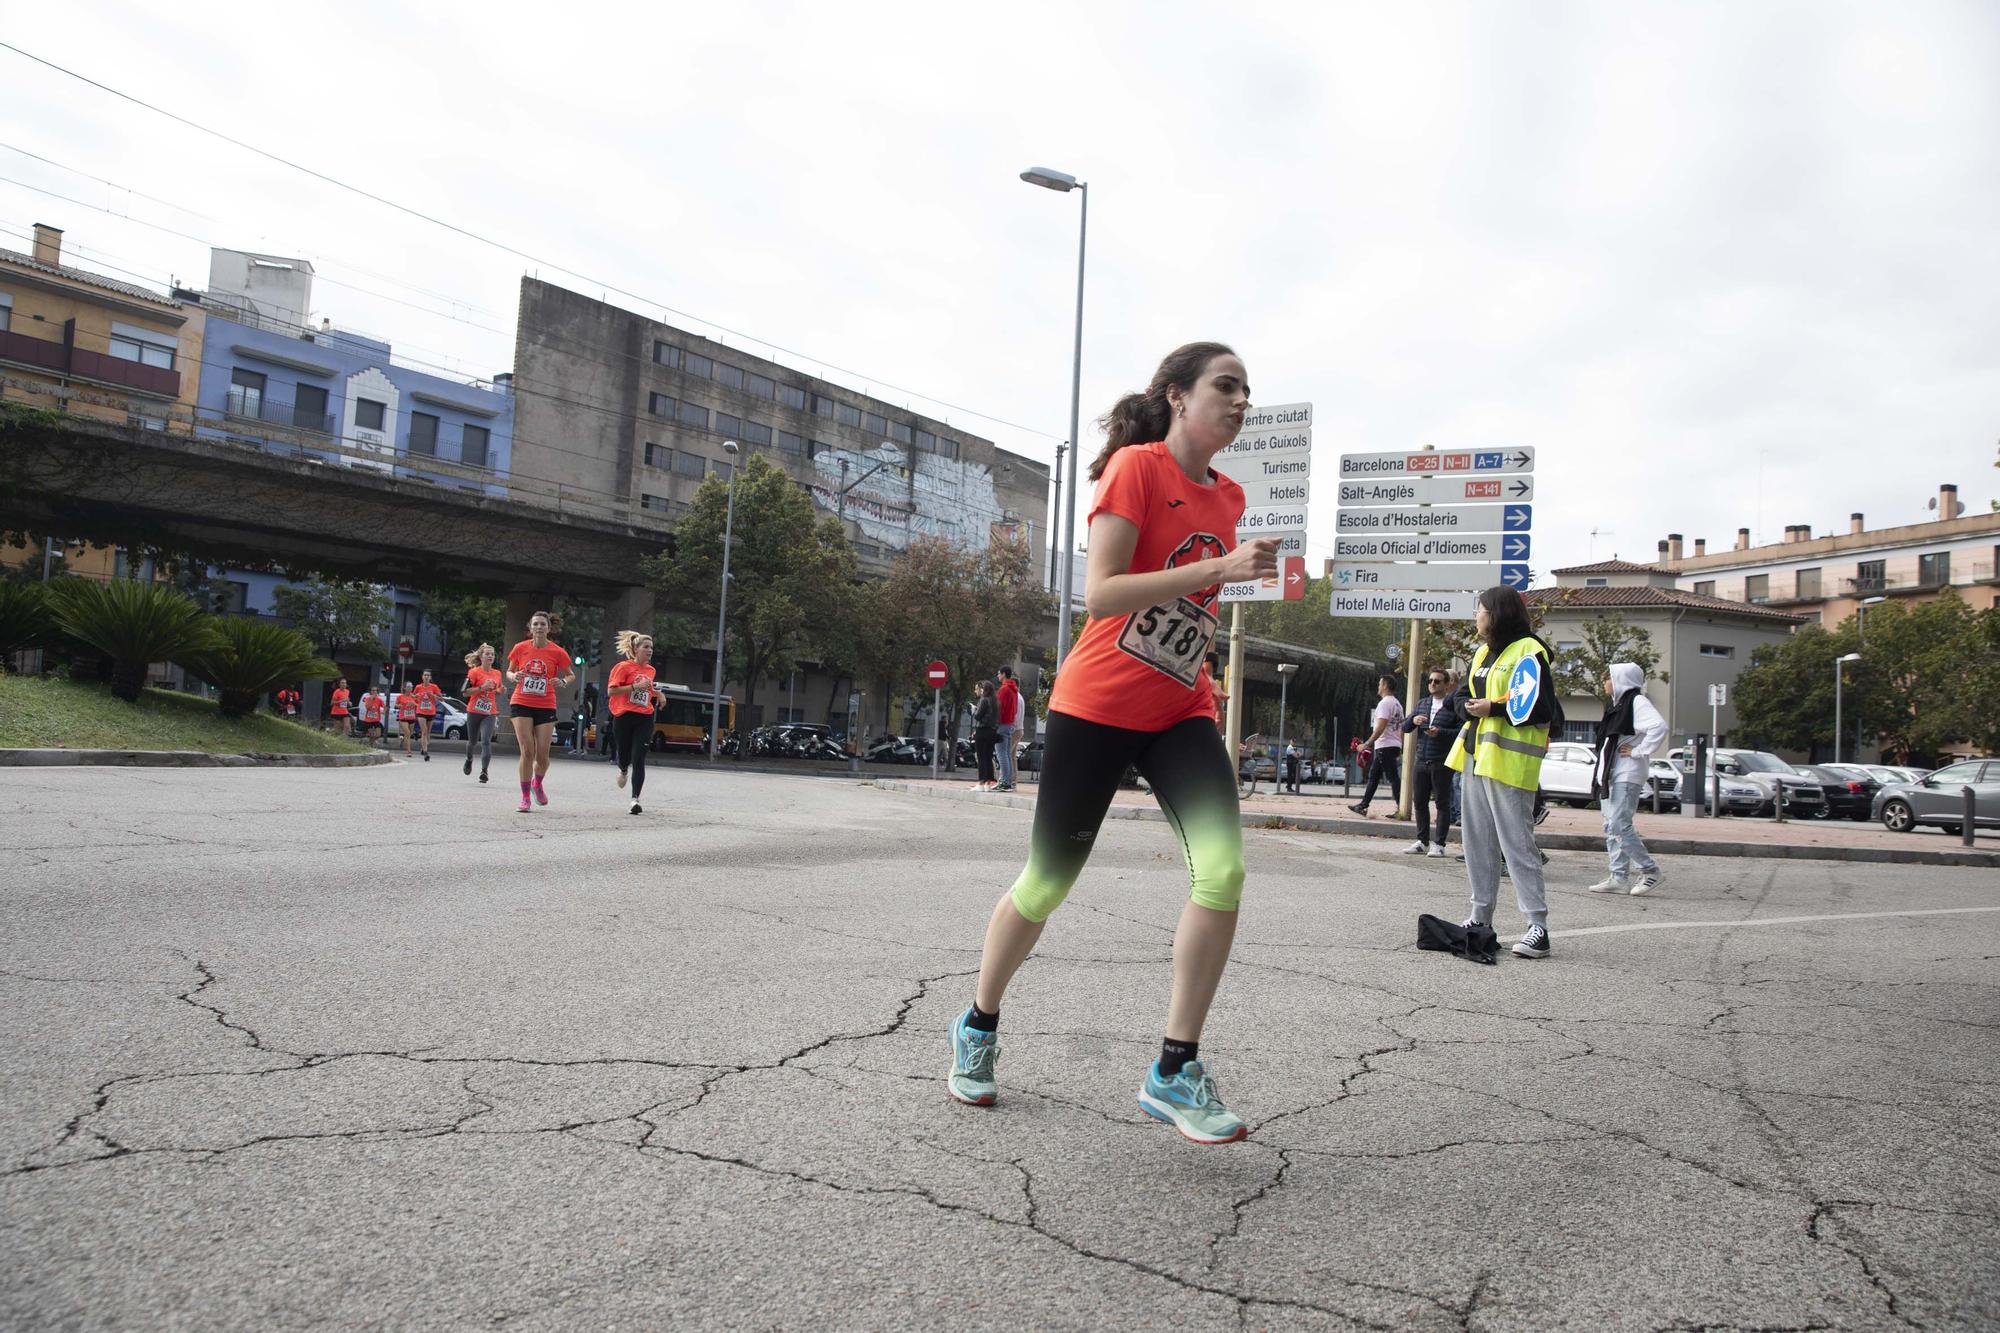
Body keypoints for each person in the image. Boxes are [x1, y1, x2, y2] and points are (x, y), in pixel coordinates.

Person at [946, 340, 1278, 1145]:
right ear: (1177, 396)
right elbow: (1101, 594)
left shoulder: (1228, 495)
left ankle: (1174, 1066)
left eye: (1246, 391)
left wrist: (1224, 590)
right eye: (1225, 387)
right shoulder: (1136, 468)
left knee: (1224, 868)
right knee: (1047, 883)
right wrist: (1219, 569)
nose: (1240, 402)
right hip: (1096, 705)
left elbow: (1191, 608)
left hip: (1180, 709)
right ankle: (979, 1021)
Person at [1446, 586, 1557, 959]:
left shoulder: (1531, 651)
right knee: (1477, 843)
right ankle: (1480, 918)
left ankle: (1537, 927)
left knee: (1517, 845)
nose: (1476, 616)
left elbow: (1542, 709)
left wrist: (1491, 708)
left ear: (1496, 614)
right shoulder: (1481, 653)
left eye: (1480, 610)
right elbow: (1457, 698)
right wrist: (1469, 707)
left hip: (1510, 762)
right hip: (1476, 757)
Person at [1589, 662, 1667, 895]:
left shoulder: (1636, 702)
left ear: (1620, 680)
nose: (1604, 682)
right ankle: (1618, 876)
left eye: (1608, 678)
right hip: (1612, 773)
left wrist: (1639, 751)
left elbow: (1659, 727)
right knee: (1610, 824)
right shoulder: (1618, 705)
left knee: (1619, 824)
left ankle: (1650, 871)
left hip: (1627, 772)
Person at [507, 611, 574, 813]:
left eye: (542, 624)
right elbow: (509, 671)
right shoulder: (520, 648)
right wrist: (514, 676)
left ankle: (537, 783)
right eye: (535, 624)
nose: (538, 627)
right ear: (530, 627)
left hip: (545, 704)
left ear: (548, 628)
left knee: (542, 755)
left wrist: (562, 681)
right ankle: (525, 797)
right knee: (527, 751)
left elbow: (571, 675)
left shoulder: (557, 652)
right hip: (521, 702)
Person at [1401, 666, 1458, 857]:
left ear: (1447, 684)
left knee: (1442, 803)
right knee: (1419, 801)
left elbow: (1460, 733)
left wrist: (1440, 733)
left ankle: (1439, 843)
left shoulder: (1453, 705)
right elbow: (1405, 727)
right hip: (1421, 759)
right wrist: (1414, 720)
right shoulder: (1423, 703)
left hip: (1441, 761)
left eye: (1437, 681)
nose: (1432, 684)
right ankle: (1422, 841)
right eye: (1430, 681)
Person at [606, 630, 657, 815]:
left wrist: (659, 694)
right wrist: (634, 686)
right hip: (623, 716)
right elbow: (611, 692)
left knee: (639, 758)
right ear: (636, 649)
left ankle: (635, 800)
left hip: (644, 717)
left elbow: (648, 690)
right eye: (646, 647)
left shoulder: (651, 670)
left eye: (651, 647)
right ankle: (622, 769)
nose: (649, 650)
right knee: (625, 755)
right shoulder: (622, 667)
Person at [1349, 675, 1404, 816]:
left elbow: (1380, 727)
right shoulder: (1397, 704)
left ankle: (1402, 808)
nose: (1378, 686)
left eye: (1380, 683)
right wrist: (1400, 745)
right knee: (1374, 776)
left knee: (1392, 777)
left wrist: (1366, 744)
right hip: (1392, 744)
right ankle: (1363, 805)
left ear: (1385, 685)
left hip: (1385, 745)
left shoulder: (1384, 704)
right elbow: (1401, 727)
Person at [461, 645, 503, 782]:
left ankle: (484, 771)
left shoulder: (497, 673)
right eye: (487, 654)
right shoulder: (474, 672)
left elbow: (498, 688)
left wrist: (501, 690)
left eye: (493, 654)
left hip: (490, 712)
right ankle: (469, 759)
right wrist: (481, 688)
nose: (490, 656)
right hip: (474, 710)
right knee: (473, 741)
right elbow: (464, 692)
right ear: (481, 657)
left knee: (486, 740)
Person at [969, 680, 1000, 792]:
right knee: (988, 757)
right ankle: (988, 783)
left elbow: (978, 717)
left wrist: (973, 710)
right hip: (992, 732)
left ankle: (981, 783)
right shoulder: (995, 701)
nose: (976, 691)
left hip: (982, 731)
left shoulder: (984, 700)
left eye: (977, 688)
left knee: (981, 757)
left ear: (983, 689)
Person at [994, 666, 1021, 792]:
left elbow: (999, 708)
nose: (998, 676)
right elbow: (1014, 709)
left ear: (1004, 674)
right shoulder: (1014, 690)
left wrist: (995, 722)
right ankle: (1008, 782)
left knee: (1002, 755)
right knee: (1008, 755)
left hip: (1002, 724)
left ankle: (1004, 782)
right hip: (1010, 724)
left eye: (999, 673)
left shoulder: (1004, 689)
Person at [410, 669, 443, 761]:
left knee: (428, 732)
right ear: (422, 676)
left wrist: (433, 696)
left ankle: (423, 747)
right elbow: (412, 697)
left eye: (428, 675)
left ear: (430, 677)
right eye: (425, 675)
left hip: (431, 712)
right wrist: (415, 697)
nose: (426, 677)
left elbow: (442, 699)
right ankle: (426, 753)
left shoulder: (434, 687)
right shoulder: (418, 687)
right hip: (421, 712)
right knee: (424, 731)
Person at [394, 686, 418, 756]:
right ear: (404, 688)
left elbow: (419, 706)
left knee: (409, 734)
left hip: (412, 718)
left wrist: (414, 704)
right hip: (403, 718)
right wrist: (399, 706)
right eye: (407, 687)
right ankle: (409, 751)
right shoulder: (400, 697)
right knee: (407, 733)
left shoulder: (414, 697)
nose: (409, 689)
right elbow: (395, 705)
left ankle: (403, 739)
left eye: (411, 687)